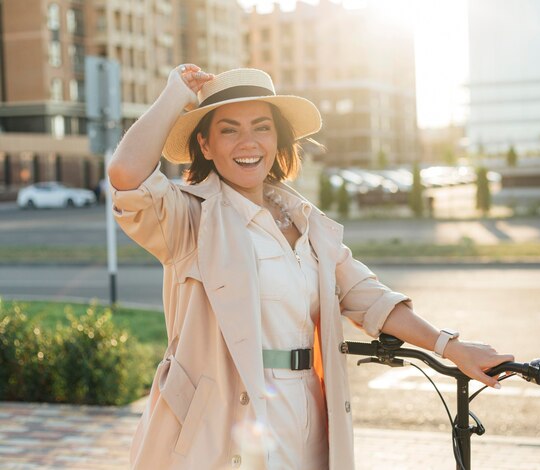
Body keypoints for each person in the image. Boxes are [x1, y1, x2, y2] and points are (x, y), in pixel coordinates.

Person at [107, 65, 514, 470]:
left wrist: (449, 347)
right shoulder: (190, 219)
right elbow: (126, 174)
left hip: (306, 411)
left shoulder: (304, 220)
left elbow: (366, 296)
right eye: (229, 129)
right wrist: (174, 94)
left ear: (278, 139)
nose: (248, 142)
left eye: (262, 127)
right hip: (223, 422)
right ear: (206, 145)